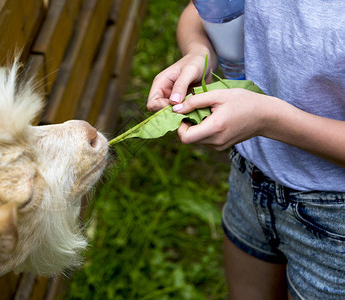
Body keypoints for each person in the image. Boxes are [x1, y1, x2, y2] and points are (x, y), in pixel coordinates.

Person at [147, 1, 345, 299]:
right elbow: (202, 12)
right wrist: (199, 52)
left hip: (335, 219)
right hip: (249, 178)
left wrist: (269, 120)